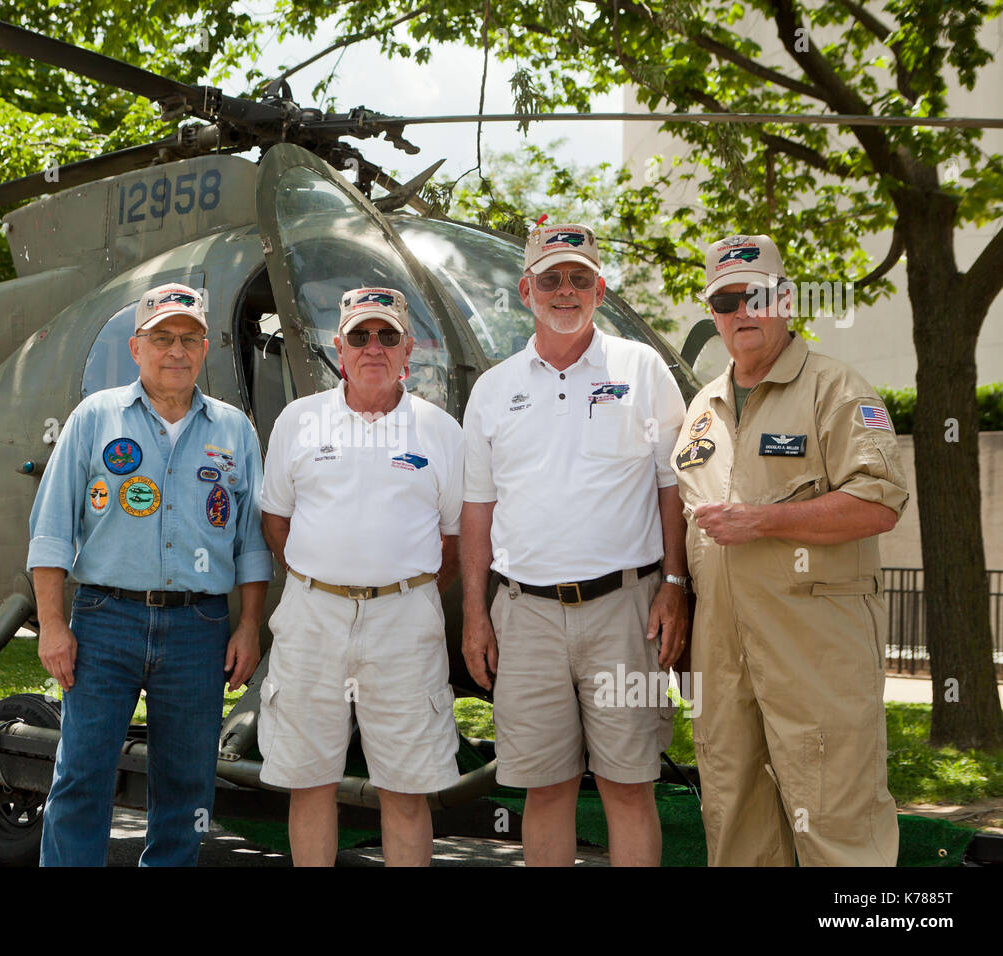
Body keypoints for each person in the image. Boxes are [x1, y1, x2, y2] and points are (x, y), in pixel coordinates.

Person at [671, 234, 907, 866]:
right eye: (725, 300)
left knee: (837, 819)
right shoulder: (702, 408)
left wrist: (766, 521)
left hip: (816, 652)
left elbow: (881, 502)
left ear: (787, 300)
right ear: (712, 312)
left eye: (757, 295)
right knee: (736, 819)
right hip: (724, 656)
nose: (741, 310)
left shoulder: (835, 388)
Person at [460, 222, 689, 867]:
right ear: (527, 289)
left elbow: (673, 484)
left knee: (629, 784)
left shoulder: (641, 368)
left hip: (627, 610)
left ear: (600, 288)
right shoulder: (494, 388)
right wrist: (476, 613)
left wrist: (675, 586)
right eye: (552, 278)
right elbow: (477, 509)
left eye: (579, 278)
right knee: (546, 788)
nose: (566, 290)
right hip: (524, 614)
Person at [28, 282, 272, 867]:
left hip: (199, 626)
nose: (176, 351)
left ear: (205, 348)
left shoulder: (234, 430)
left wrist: (249, 628)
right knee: (82, 774)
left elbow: (252, 544)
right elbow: (51, 530)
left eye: (188, 338)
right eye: (162, 338)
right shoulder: (95, 418)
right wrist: (53, 626)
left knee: (187, 786)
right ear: (136, 347)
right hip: (104, 621)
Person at [259, 287, 464, 867]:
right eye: (359, 336)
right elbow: (276, 520)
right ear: (338, 349)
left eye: (387, 336)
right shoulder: (298, 421)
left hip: (404, 621)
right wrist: (323, 577)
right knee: (310, 781)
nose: (373, 347)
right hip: (311, 615)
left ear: (408, 351)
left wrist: (400, 590)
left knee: (405, 787)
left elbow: (454, 536)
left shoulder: (441, 431)